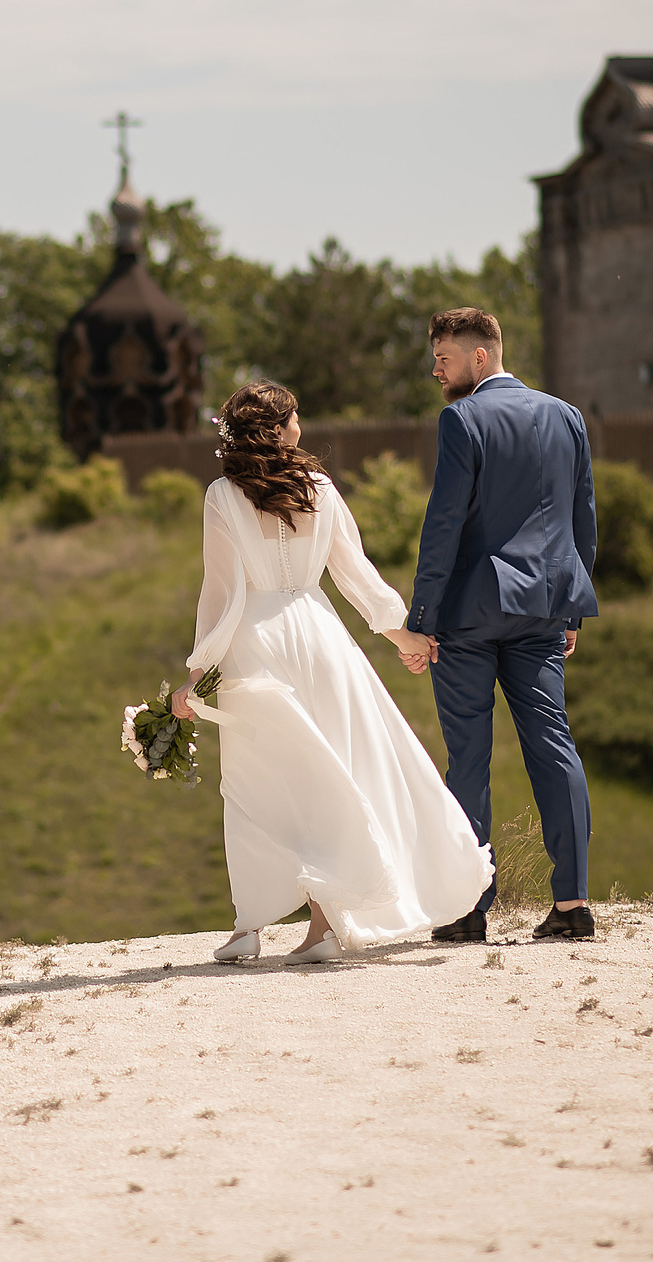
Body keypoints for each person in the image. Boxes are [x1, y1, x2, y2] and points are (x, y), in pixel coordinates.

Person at [172, 380, 492, 963]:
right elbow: (356, 576)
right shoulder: (318, 487)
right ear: (279, 428)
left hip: (257, 641)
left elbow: (221, 594)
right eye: (295, 417)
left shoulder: (221, 495)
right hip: (320, 636)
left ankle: (251, 926)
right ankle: (320, 928)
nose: (302, 426)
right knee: (330, 777)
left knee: (256, 783)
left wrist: (198, 672)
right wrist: (406, 637)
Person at [403, 307, 601, 944]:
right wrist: (569, 607)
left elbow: (444, 525)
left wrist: (422, 618)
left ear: (480, 357)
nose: (436, 370)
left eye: (444, 357)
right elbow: (582, 520)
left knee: (469, 757)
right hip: (544, 609)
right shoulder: (567, 416)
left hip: (470, 615)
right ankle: (572, 904)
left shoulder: (461, 420)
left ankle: (468, 911)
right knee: (554, 747)